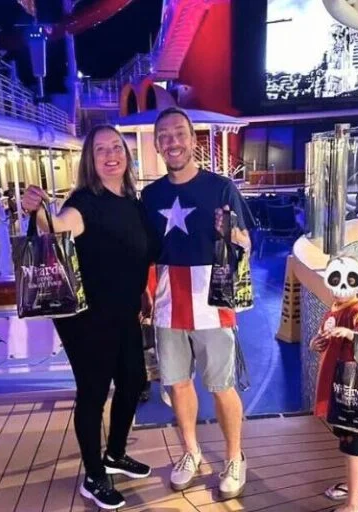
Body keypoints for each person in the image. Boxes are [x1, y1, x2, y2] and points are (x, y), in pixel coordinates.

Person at [20, 124, 156, 510]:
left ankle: (114, 453)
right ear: (90, 161)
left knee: (133, 381)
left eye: (117, 147)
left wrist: (142, 291)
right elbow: (58, 228)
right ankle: (94, 476)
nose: (111, 155)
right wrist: (38, 210)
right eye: (101, 150)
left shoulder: (133, 200)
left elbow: (130, 251)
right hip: (87, 318)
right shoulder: (84, 201)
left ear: (126, 155)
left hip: (125, 311)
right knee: (94, 394)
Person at [140, 107, 252, 499]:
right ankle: (190, 450)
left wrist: (242, 243)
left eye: (179, 134)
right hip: (169, 303)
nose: (173, 142)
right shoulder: (149, 195)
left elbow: (244, 241)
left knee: (222, 385)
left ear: (193, 139)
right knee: (179, 382)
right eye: (165, 136)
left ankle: (235, 457)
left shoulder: (222, 188)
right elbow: (144, 251)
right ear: (157, 144)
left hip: (213, 299)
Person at [309, 254, 358, 512]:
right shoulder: (334, 309)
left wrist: (350, 334)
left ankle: (353, 505)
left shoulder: (356, 310)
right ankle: (355, 486)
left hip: (352, 391)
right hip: (339, 389)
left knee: (352, 448)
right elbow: (324, 340)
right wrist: (317, 343)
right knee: (348, 445)